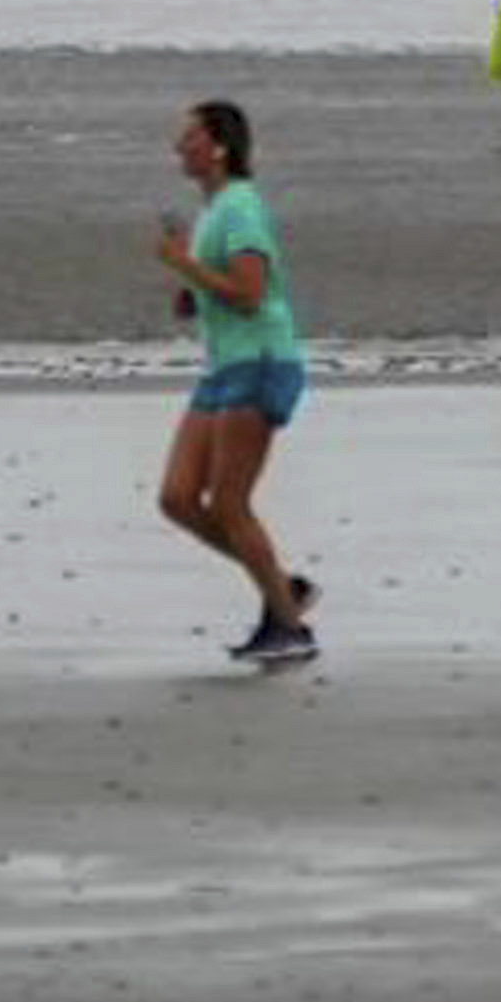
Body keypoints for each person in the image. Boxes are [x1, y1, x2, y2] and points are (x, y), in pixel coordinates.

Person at [155, 95, 317, 665]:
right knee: (176, 497)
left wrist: (184, 266)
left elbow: (251, 295)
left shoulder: (242, 206)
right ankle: (281, 586)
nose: (180, 147)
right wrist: (190, 291)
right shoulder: (212, 211)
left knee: (229, 502)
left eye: (191, 137)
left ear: (219, 148)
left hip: (261, 361)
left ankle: (289, 627)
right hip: (222, 366)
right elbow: (217, 289)